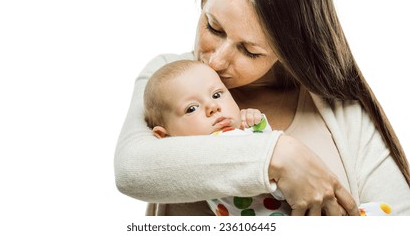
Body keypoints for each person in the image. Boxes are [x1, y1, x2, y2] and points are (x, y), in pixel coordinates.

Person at [115, 0, 410, 216]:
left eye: (249, 51)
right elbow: (131, 170)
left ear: (290, 49)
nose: (216, 62)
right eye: (213, 27)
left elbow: (400, 217)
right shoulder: (168, 78)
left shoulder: (338, 108)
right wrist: (277, 156)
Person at [143, 59, 393, 216]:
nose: (213, 107)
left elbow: (269, 149)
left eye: (218, 95)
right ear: (163, 136)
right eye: (191, 109)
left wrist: (257, 124)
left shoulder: (238, 132)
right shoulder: (184, 155)